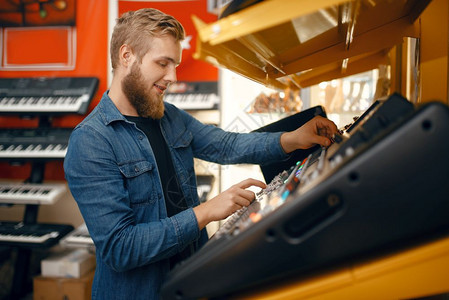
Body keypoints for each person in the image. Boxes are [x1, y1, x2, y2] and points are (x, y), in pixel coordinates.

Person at [63, 8, 338, 300]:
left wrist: (293, 139)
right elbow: (121, 248)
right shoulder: (91, 141)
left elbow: (226, 144)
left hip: (191, 280)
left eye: (175, 64)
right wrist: (206, 212)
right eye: (163, 63)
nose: (173, 76)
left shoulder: (169, 116)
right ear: (126, 56)